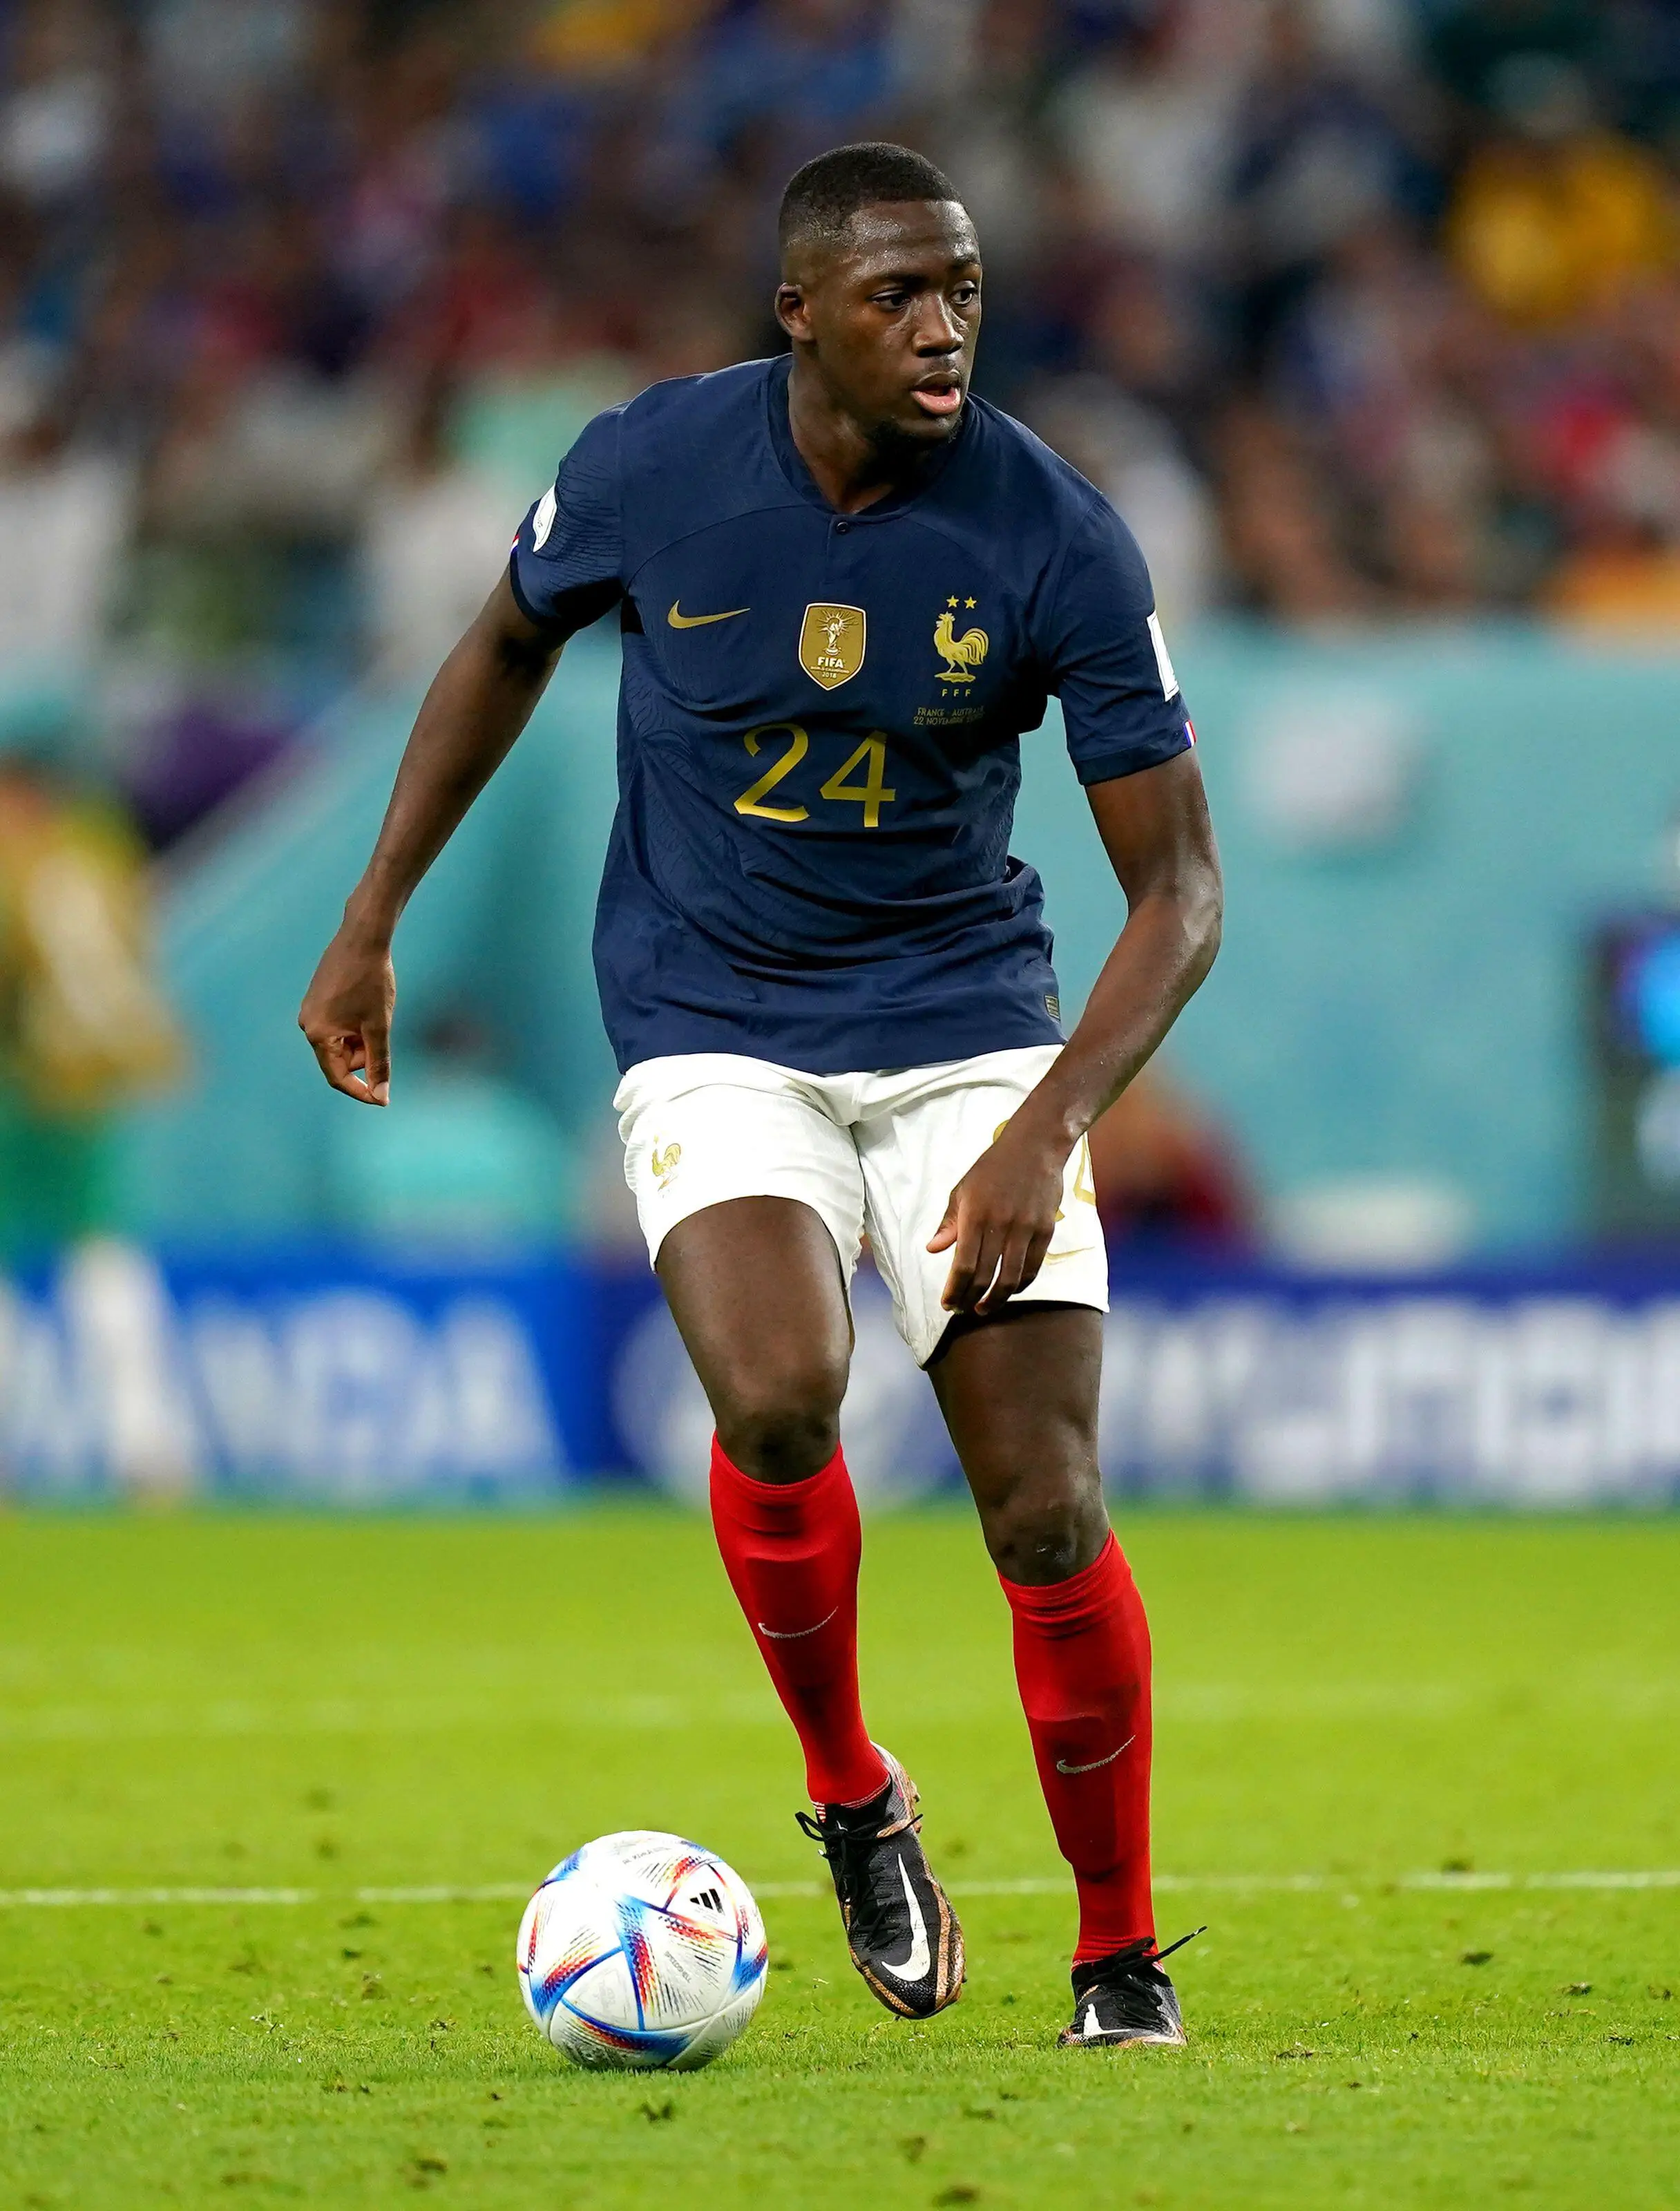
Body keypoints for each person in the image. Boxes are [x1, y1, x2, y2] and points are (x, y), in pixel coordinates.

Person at [299, 142, 1223, 2051]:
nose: (945, 328)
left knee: (1045, 1508)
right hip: (713, 1012)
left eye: (965, 290)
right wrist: (375, 913)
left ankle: (1119, 1956)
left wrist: (1050, 1123)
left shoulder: (1057, 532)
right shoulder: (652, 464)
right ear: (801, 312)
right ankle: (852, 1794)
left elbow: (1183, 890)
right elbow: (501, 645)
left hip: (969, 1030)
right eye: (900, 295)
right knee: (783, 1394)